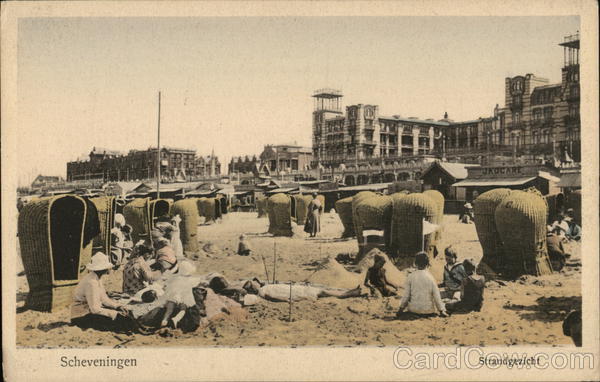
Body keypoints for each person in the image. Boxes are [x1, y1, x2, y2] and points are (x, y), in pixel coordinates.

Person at [70, 252, 137, 333]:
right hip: (81, 316)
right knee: (121, 321)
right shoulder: (91, 282)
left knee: (126, 316)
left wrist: (117, 307)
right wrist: (114, 314)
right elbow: (95, 309)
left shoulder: (96, 278)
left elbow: (104, 298)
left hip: (89, 311)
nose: (108, 269)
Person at [397, 252, 447, 318]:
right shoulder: (431, 278)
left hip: (413, 310)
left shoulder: (411, 276)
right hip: (428, 311)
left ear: (415, 263)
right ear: (427, 264)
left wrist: (401, 309)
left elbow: (406, 296)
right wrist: (441, 310)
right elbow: (436, 296)